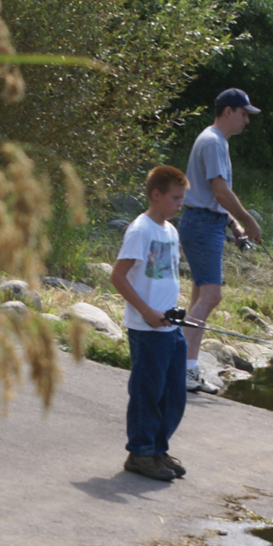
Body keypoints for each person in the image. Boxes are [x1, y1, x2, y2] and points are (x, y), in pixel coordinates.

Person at [178, 87, 262, 391]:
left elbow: (211, 195)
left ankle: (186, 368)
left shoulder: (216, 141)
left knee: (200, 298)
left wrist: (233, 225)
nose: (247, 121)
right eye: (244, 114)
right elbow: (220, 192)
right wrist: (249, 221)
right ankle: (182, 370)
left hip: (206, 223)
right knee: (211, 297)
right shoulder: (213, 142)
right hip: (201, 225)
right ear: (228, 111)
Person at [111, 165, 189, 482]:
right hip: (147, 330)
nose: (180, 204)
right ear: (156, 195)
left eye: (182, 198)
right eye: (175, 198)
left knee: (174, 395)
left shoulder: (170, 230)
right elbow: (117, 276)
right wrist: (145, 311)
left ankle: (158, 448)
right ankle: (140, 453)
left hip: (171, 327)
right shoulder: (140, 230)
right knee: (147, 393)